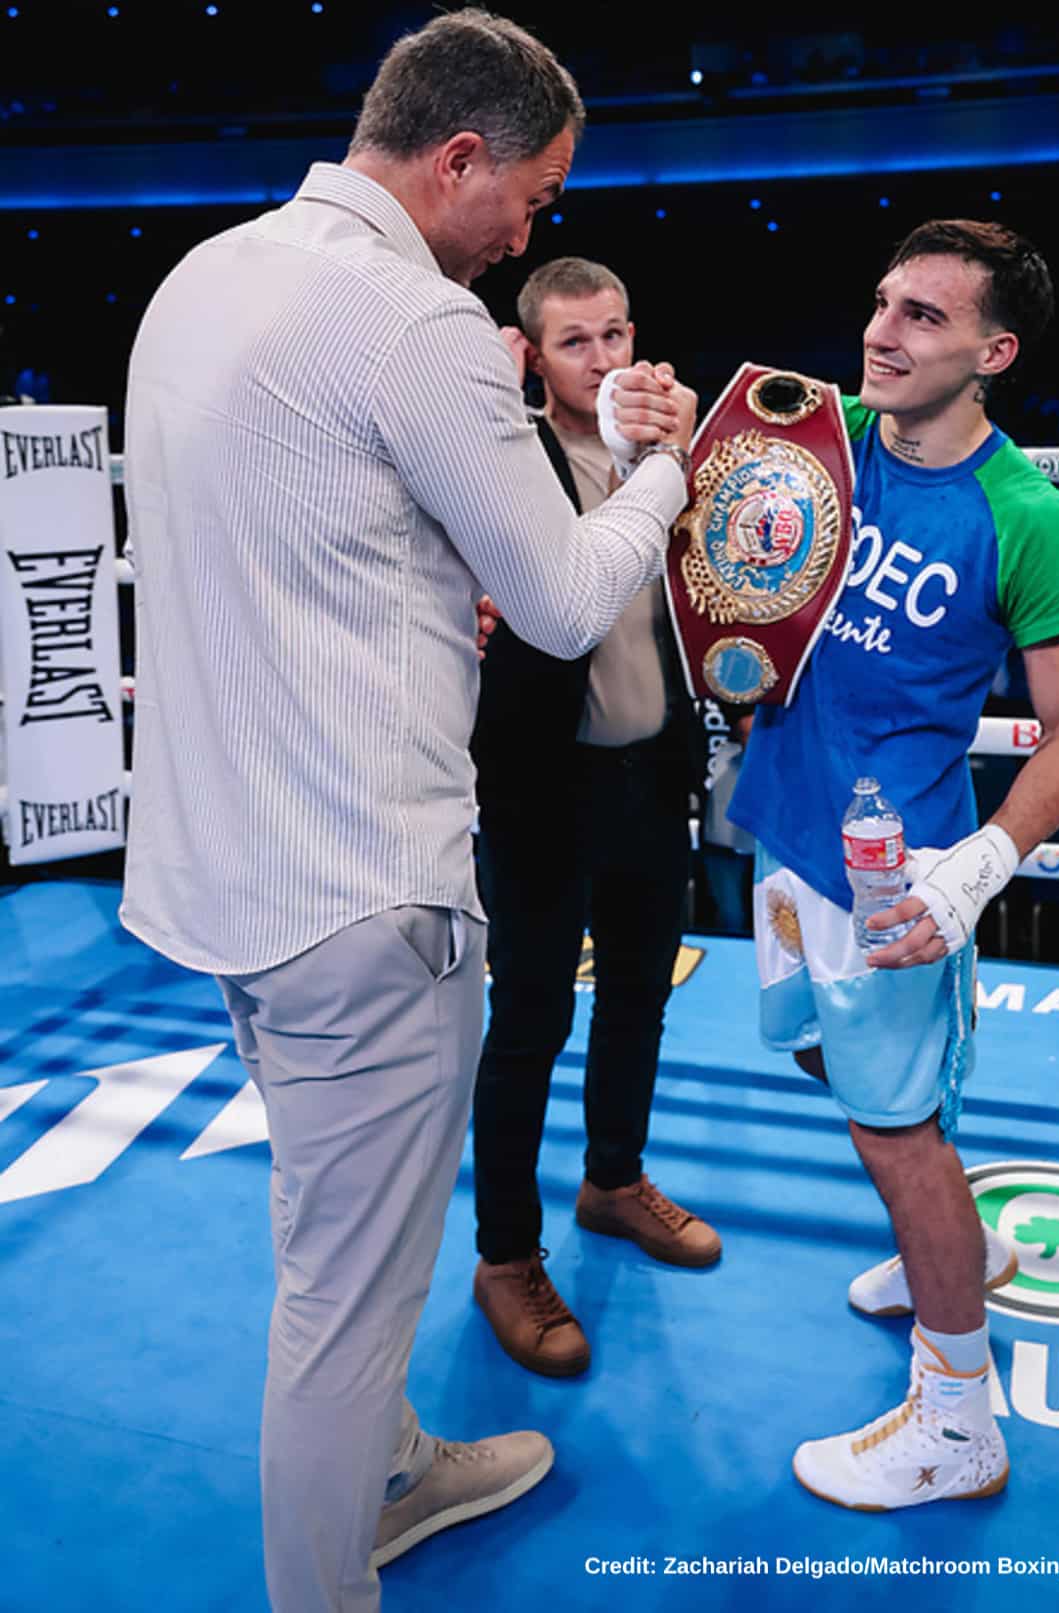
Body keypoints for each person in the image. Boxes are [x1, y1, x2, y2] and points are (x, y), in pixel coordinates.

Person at [119, 12, 696, 1612]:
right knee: (343, 1300)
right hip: (362, 884)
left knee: (336, 1237)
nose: (533, 233)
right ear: (459, 161)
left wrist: (450, 585)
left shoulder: (204, 278)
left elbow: (301, 547)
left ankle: (390, 1465)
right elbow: (572, 601)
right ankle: (330, 1580)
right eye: (534, 194)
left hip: (229, 872)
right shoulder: (420, 324)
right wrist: (657, 464)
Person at [727, 219, 1059, 1511]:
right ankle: (941, 1232)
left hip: (896, 870)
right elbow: (694, 436)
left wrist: (981, 865)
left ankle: (959, 1415)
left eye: (925, 318)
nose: (883, 333)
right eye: (883, 302)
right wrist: (635, 415)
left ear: (993, 352)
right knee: (839, 1072)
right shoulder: (824, 432)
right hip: (782, 820)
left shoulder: (1026, 518)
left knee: (895, 1134)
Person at [469, 257, 720, 1378]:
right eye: (578, 341)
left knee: (637, 997)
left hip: (650, 769)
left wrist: (687, 454)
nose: (607, 359)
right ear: (533, 354)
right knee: (527, 1018)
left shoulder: (686, 455)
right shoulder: (498, 460)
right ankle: (504, 1253)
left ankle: (614, 1177)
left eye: (619, 333)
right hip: (538, 781)